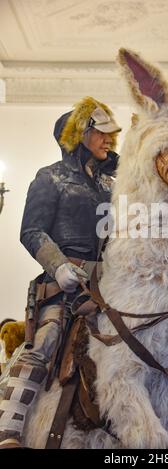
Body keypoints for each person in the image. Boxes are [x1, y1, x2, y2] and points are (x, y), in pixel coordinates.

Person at [0, 97, 121, 448]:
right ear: (80, 136)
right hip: (63, 286)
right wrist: (59, 265)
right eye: (101, 133)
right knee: (45, 342)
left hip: (107, 287)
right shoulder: (49, 178)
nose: (109, 140)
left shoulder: (110, 187)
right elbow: (32, 231)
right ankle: (7, 428)